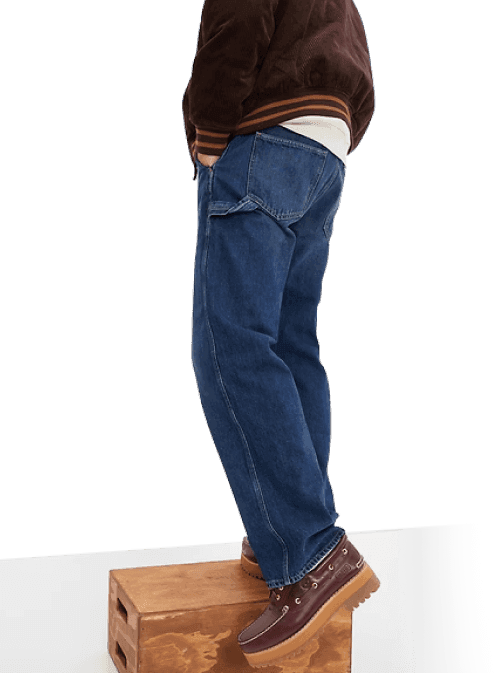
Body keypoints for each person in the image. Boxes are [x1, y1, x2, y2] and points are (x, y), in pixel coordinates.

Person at [181, 0, 379, 667]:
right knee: (289, 346)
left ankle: (310, 553)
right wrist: (336, 134)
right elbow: (357, 59)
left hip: (262, 137)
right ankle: (285, 537)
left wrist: (210, 129)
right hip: (325, 147)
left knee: (230, 347)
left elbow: (236, 19)